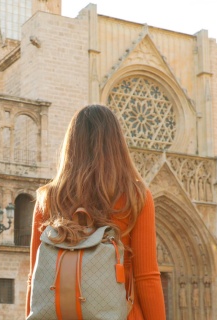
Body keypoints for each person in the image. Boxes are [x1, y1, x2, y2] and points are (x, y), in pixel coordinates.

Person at [25, 105, 166, 319]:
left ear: (71, 145)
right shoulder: (135, 196)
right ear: (117, 144)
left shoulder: (48, 198)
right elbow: (147, 278)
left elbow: (35, 277)